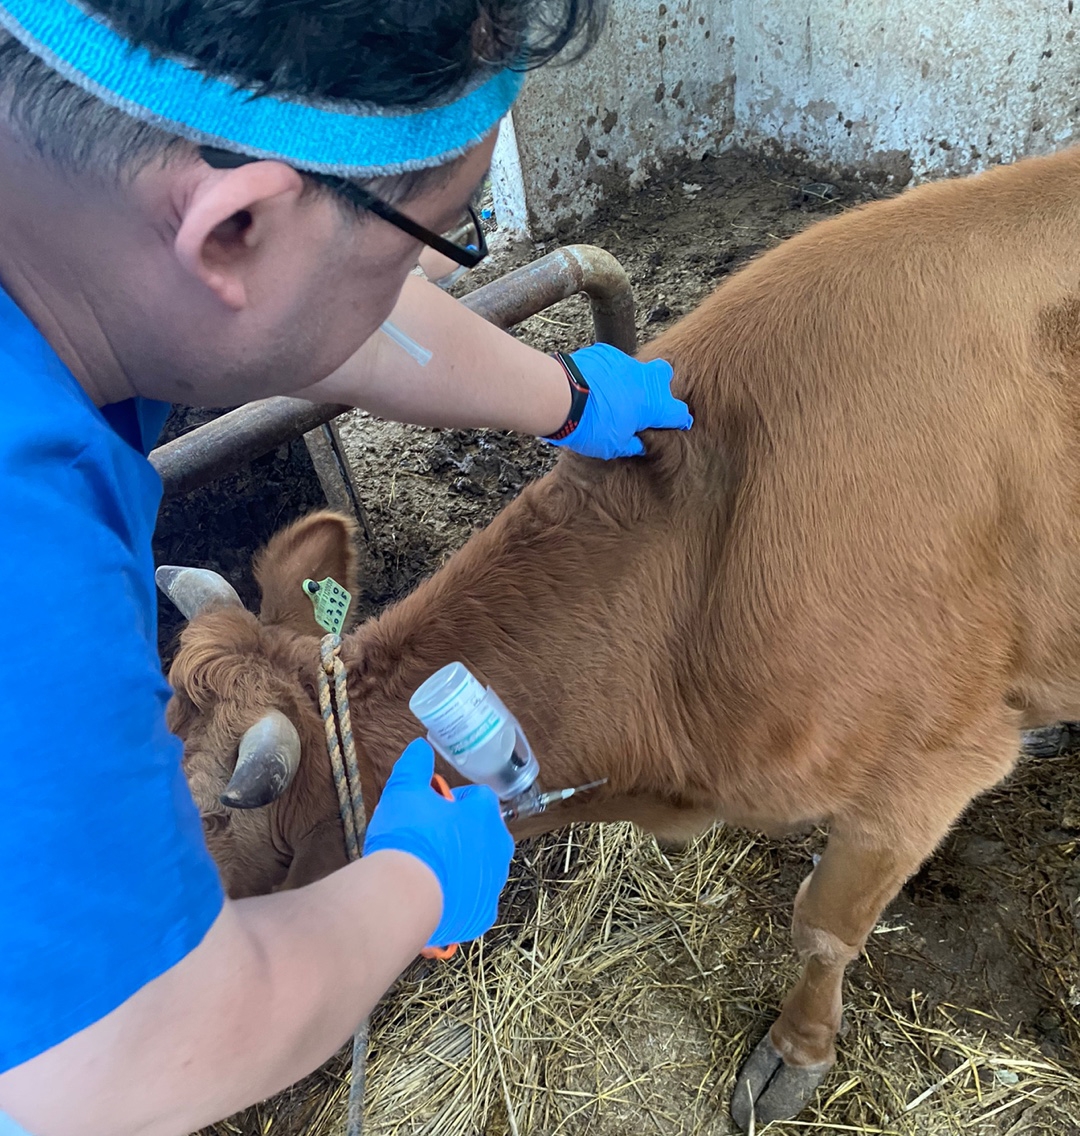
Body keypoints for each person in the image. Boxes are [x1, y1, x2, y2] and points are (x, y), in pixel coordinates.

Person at [0, 2, 691, 1134]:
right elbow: (129, 1056)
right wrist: (412, 879)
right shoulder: (22, 548)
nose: (429, 267)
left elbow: (346, 318)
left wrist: (565, 396)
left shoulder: (65, 216)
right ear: (230, 229)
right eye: (441, 233)